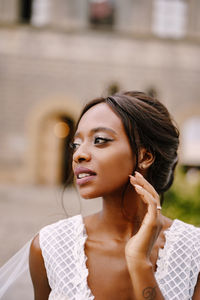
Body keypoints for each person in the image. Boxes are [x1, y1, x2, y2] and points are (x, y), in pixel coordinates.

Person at [1, 91, 200, 299]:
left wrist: (140, 263)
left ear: (145, 156)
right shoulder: (49, 247)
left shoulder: (195, 251)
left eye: (99, 140)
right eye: (76, 144)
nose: (79, 154)